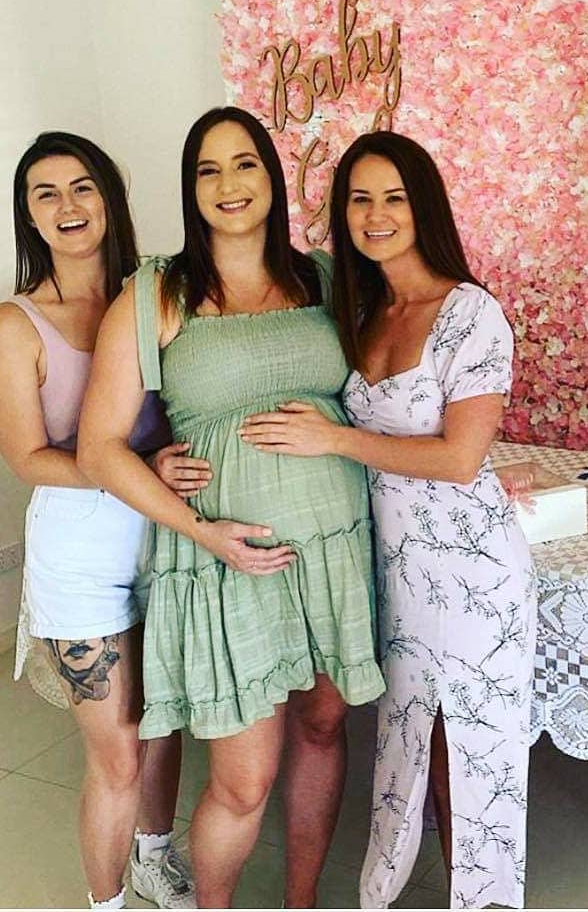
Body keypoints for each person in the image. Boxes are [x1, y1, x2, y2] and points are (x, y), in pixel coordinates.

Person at [77, 107, 384, 908]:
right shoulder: (159, 292)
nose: (227, 185)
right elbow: (98, 446)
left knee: (322, 728)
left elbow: (395, 392)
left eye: (243, 164)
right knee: (244, 780)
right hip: (225, 563)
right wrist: (201, 530)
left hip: (333, 547)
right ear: (191, 189)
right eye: (207, 171)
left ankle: (302, 903)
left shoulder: (321, 275)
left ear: (271, 177)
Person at [240, 131, 536, 909]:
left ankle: (484, 900)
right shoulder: (364, 308)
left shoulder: (471, 313)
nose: (375, 215)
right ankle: (390, 885)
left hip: (474, 571)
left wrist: (332, 437)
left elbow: (459, 458)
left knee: (475, 747)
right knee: (407, 736)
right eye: (359, 199)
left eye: (393, 197)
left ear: (424, 205)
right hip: (396, 567)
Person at [0, 132, 202, 910]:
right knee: (115, 752)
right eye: (45, 193)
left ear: (109, 198)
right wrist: (131, 470)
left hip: (166, 533)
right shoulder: (19, 323)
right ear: (29, 215)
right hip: (80, 553)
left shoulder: (155, 293)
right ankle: (106, 903)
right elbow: (28, 456)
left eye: (81, 187)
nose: (67, 206)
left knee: (163, 718)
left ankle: (154, 856)